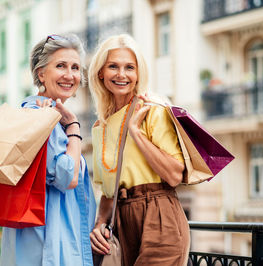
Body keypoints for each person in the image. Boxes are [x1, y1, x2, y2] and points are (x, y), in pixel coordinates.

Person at [88, 34, 190, 266]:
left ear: (138, 74)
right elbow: (107, 191)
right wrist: (98, 224)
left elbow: (174, 175)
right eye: (113, 66)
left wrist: (136, 132)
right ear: (100, 72)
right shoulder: (99, 127)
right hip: (121, 220)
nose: (121, 74)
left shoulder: (153, 110)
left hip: (159, 212)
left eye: (129, 68)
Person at [0, 34, 96, 266]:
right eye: (60, 66)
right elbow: (67, 177)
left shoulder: (51, 115)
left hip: (55, 240)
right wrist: (74, 127)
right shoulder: (39, 115)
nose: (70, 75)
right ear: (41, 73)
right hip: (49, 245)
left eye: (75, 67)